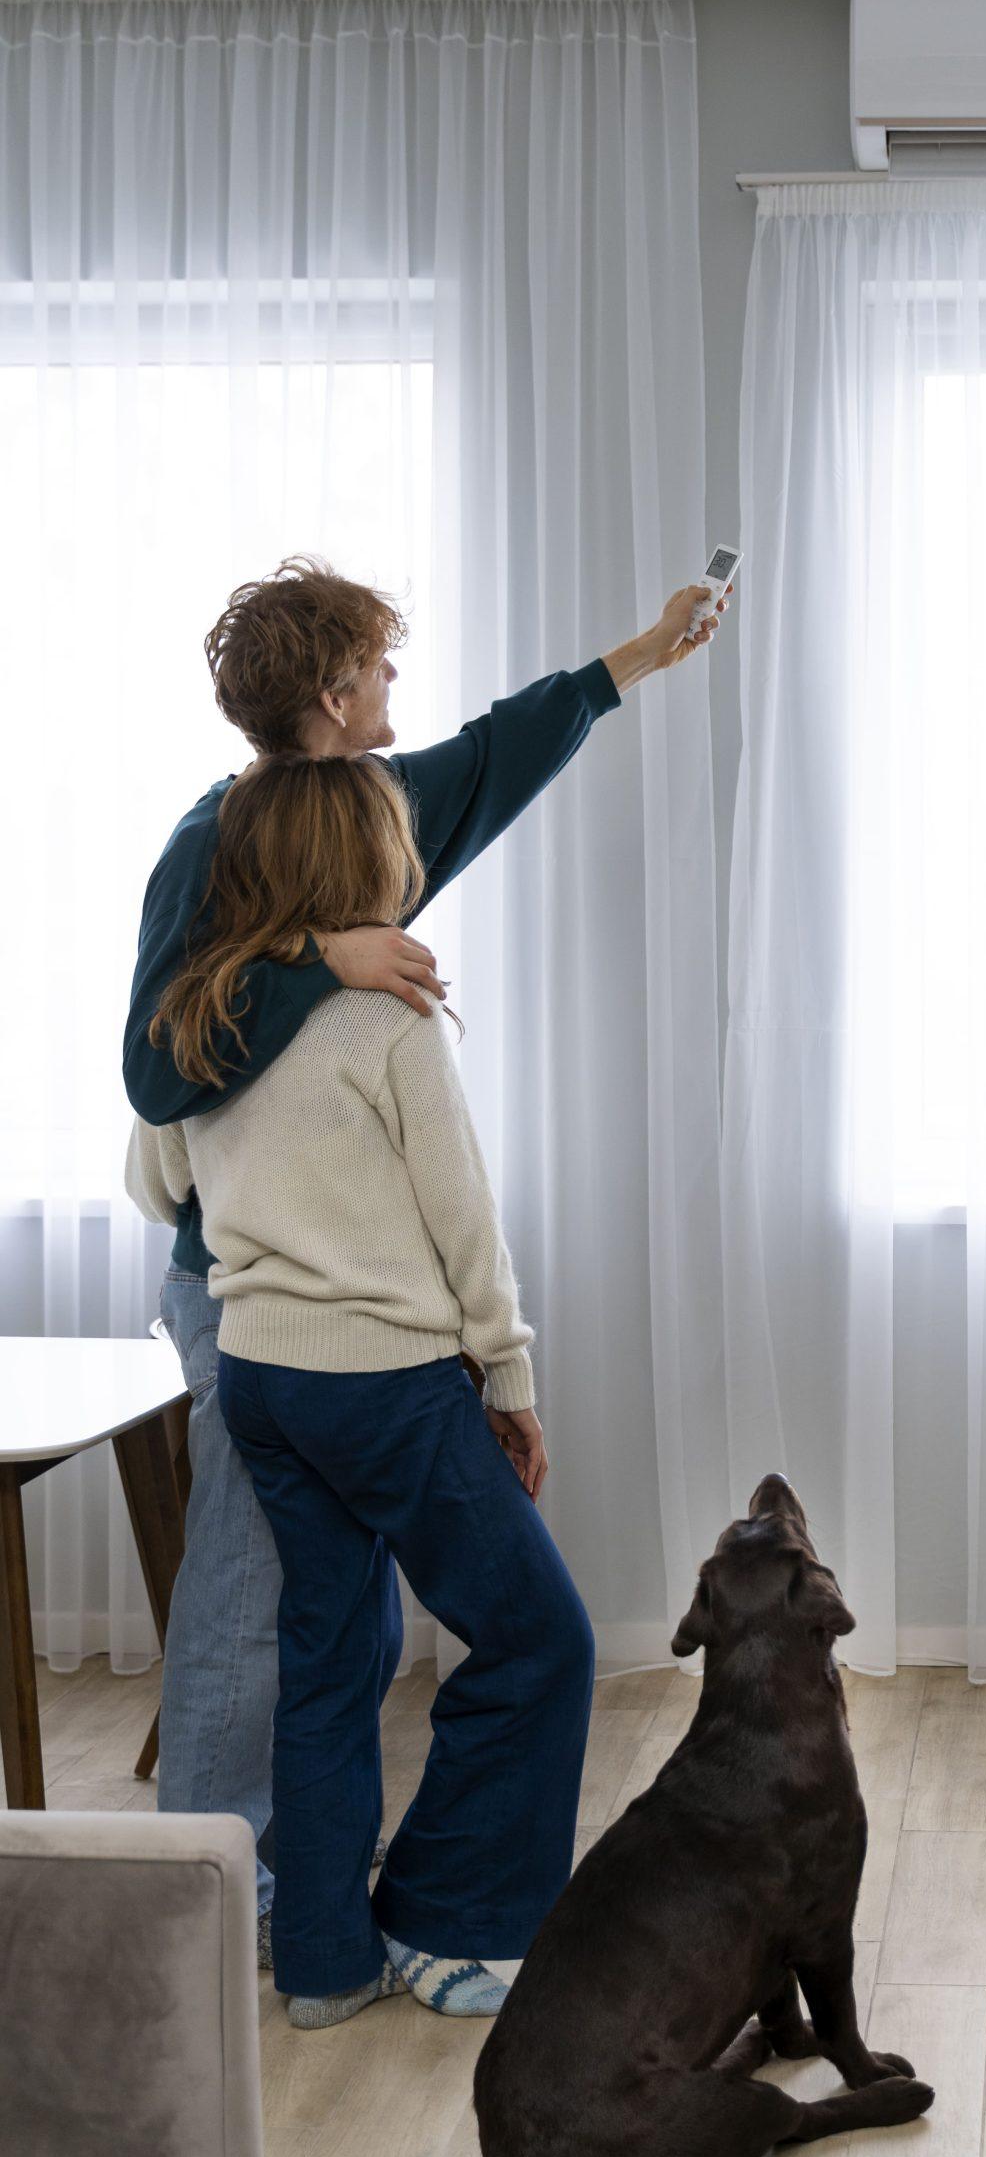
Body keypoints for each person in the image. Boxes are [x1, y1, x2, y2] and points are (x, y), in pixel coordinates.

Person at [125, 556, 724, 1960]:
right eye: (381, 668)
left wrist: (636, 654)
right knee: (250, 1603)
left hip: (344, 1305)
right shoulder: (214, 845)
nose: (400, 688)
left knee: (334, 1638)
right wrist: (320, 961)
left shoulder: (377, 813)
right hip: (254, 1296)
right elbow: (160, 1072)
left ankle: (315, 1924)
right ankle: (208, 1902)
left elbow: (501, 749)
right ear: (334, 696)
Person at [129, 749, 578, 2025]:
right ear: (366, 867)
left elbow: (159, 1183)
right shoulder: (388, 1022)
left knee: (330, 1662)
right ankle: (454, 1922)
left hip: (264, 1375)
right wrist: (509, 1372)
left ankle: (324, 1963)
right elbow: (463, 1220)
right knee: (542, 1637)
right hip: (386, 1384)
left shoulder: (200, 1019)